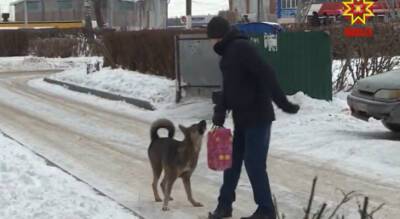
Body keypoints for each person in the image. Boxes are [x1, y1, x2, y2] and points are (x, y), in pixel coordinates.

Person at [207, 17, 300, 219]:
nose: (210, 43)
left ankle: (266, 210)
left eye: (211, 38)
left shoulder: (241, 48)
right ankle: (224, 206)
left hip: (258, 117)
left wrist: (283, 103)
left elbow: (267, 73)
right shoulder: (228, 55)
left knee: (254, 163)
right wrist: (220, 110)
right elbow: (229, 87)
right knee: (231, 163)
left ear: (218, 36)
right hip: (242, 118)